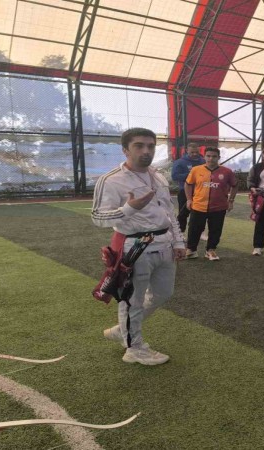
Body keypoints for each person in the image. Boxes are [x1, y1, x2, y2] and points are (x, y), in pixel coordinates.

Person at [91, 127, 186, 365]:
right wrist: (129, 208)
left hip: (165, 245)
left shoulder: (158, 176)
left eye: (151, 146)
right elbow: (98, 217)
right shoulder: (111, 180)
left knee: (163, 294)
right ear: (125, 150)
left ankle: (123, 330)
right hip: (134, 248)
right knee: (132, 300)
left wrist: (178, 241)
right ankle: (134, 349)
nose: (146, 151)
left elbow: (169, 212)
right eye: (139, 146)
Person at [184, 147, 237, 261]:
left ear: (219, 157)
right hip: (198, 206)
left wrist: (231, 201)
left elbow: (235, 185)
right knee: (194, 229)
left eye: (214, 156)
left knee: (215, 230)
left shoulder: (227, 171)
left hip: (219, 207)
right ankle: (191, 250)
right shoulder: (196, 170)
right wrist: (189, 199)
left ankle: (210, 250)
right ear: (204, 157)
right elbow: (188, 184)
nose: (211, 158)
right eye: (208, 156)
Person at [170, 142, 204, 240]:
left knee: (200, 213)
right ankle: (180, 233)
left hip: (201, 192)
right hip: (184, 191)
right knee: (183, 213)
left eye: (196, 152)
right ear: (187, 150)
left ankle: (200, 232)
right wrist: (191, 175)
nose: (194, 154)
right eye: (192, 152)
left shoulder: (203, 161)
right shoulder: (180, 162)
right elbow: (175, 176)